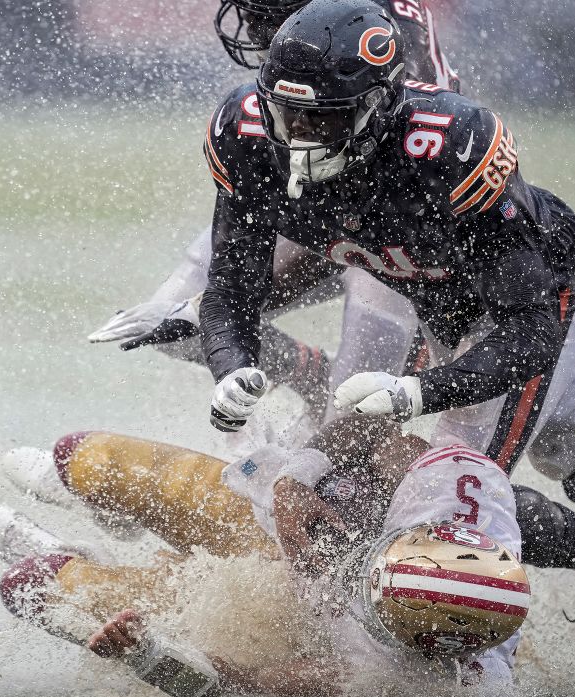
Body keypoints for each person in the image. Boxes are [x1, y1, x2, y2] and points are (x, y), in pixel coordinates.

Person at [194, 0, 575, 666]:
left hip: (539, 299)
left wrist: (420, 392)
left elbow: (527, 333)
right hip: (439, 300)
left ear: (376, 107)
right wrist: (229, 362)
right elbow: (230, 291)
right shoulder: (250, 132)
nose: (301, 135)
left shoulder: (447, 146)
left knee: (448, 477)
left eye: (322, 119)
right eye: (289, 115)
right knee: (568, 443)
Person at [0, 415, 575, 682]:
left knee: (35, 587)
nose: (368, 584)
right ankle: (110, 512)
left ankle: (80, 557)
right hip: (284, 522)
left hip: (287, 617)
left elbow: (240, 690)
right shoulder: (462, 489)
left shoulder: (414, 685)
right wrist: (303, 477)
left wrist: (150, 656)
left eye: (388, 608)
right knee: (83, 458)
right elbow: (372, 430)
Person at [88, 0, 460, 420]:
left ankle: (345, 435)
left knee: (351, 415)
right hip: (311, 191)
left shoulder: (378, 34)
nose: (251, 26)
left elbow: (355, 230)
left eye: (264, 12)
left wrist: (223, 301)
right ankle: (309, 374)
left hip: (400, 225)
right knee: (166, 323)